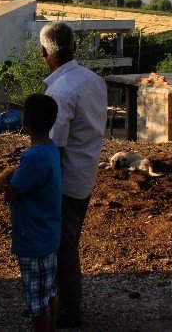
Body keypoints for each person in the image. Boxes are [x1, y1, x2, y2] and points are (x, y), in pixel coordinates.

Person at [39, 21, 106, 328]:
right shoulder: (92, 80)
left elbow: (53, 145)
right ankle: (63, 306)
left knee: (62, 250)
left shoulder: (61, 91)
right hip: (84, 175)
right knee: (69, 243)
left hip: (64, 182)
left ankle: (69, 312)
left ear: (44, 52)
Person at [0, 93, 63, 332]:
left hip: (32, 239)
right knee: (49, 290)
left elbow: (11, 195)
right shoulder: (51, 149)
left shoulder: (33, 157)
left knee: (36, 301)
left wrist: (8, 177)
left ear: (25, 121)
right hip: (50, 234)